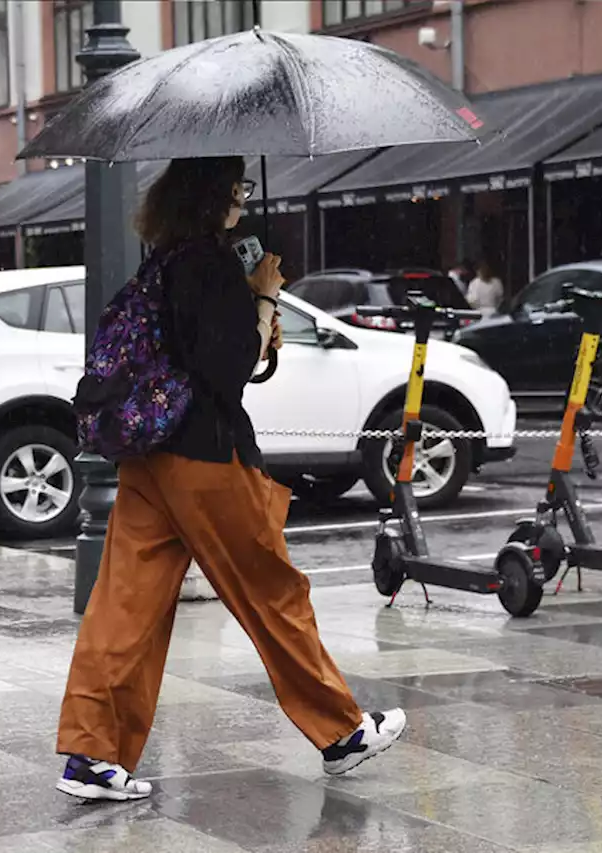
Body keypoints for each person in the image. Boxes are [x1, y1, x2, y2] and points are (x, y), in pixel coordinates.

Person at [55, 157, 406, 803]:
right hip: (204, 458)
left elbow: (201, 352)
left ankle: (90, 753)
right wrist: (265, 292)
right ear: (213, 195)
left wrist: (254, 314)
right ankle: (341, 731)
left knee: (123, 607)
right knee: (272, 590)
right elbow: (225, 369)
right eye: (236, 188)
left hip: (149, 458)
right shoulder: (211, 263)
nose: (242, 198)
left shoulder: (162, 259)